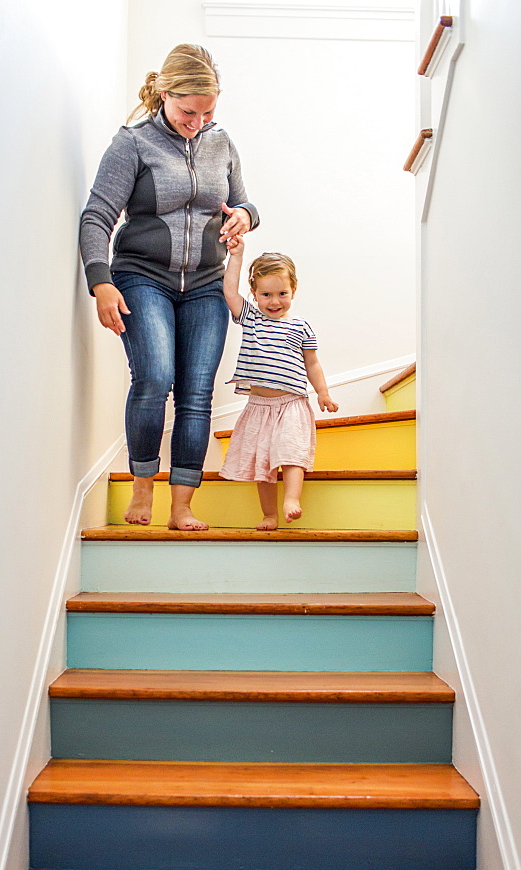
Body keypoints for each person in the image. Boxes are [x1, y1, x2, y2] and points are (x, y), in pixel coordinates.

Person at [80, 44, 258, 530]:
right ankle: (142, 491)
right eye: (187, 111)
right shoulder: (132, 142)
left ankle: (182, 507)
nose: (197, 122)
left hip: (206, 284)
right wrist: (101, 282)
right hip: (142, 277)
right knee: (156, 378)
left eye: (207, 112)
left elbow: (245, 203)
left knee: (197, 393)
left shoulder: (221, 141)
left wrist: (244, 216)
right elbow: (97, 216)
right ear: (164, 94)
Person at [220, 236, 338, 530]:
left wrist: (322, 392)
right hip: (259, 406)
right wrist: (237, 256)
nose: (274, 302)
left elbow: (312, 362)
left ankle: (291, 499)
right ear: (255, 294)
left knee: (290, 452)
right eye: (266, 295)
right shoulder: (250, 318)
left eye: (282, 293)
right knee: (262, 463)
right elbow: (229, 292)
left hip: (292, 404)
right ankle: (269, 514)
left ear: (293, 290)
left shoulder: (301, 326)